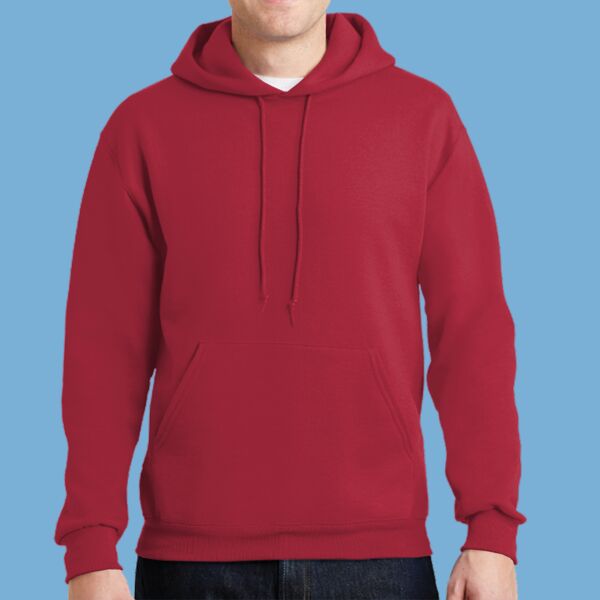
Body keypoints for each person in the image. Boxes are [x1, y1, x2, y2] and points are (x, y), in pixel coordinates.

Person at [54, 1, 526, 598]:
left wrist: (491, 529)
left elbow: (473, 329)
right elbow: (103, 346)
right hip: (191, 559)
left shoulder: (423, 116)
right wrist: (91, 544)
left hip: (379, 559)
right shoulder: (141, 126)